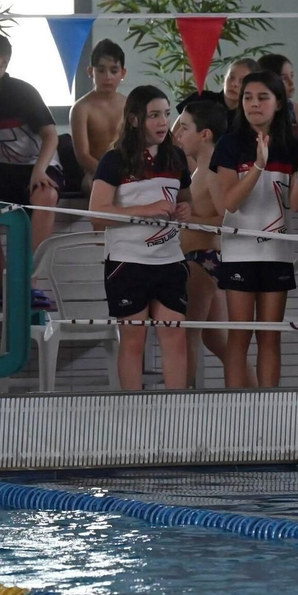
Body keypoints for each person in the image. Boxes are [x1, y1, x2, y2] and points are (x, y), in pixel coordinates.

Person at [214, 70, 298, 388]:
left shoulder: (294, 147)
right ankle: (235, 409)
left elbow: (296, 204)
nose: (253, 104)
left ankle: (271, 408)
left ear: (280, 103)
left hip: (277, 253)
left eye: (262, 97)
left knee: (270, 337)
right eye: (247, 98)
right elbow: (231, 203)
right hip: (239, 252)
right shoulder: (229, 145)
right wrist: (258, 166)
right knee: (239, 336)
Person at [88, 85, 192, 391]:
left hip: (170, 260)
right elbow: (97, 214)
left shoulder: (176, 157)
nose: (163, 122)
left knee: (174, 336)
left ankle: (177, 412)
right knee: (133, 339)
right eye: (154, 115)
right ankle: (134, 413)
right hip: (128, 262)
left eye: (166, 114)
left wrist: (185, 209)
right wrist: (146, 210)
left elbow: (184, 200)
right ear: (134, 120)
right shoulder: (114, 159)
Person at [173, 97, 244, 387]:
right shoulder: (201, 170)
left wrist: (191, 221)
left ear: (205, 134)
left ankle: (183, 404)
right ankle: (257, 397)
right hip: (205, 262)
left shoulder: (213, 171)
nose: (177, 134)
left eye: (184, 128)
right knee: (219, 342)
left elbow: (229, 221)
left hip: (202, 261)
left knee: (186, 335)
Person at [0, 31, 62, 249]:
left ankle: (29, 275)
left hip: (35, 164)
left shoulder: (22, 92)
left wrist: (39, 170)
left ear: (3, 63)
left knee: (47, 195)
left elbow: (51, 135)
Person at [69, 39, 127, 179]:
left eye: (114, 71)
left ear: (123, 73)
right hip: (94, 173)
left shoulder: (130, 104)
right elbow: (83, 155)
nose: (108, 77)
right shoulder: (81, 108)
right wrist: (107, 175)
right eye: (101, 70)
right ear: (90, 71)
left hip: (127, 171)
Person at [257, 53, 298, 141]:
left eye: (292, 76)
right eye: (284, 78)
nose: (291, 83)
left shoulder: (297, 110)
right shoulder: (256, 108)